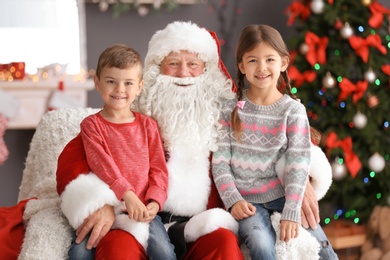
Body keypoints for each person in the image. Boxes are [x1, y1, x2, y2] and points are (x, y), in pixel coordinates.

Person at [56, 21, 335, 259]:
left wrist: (301, 181)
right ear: (153, 73)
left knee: (225, 247)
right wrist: (101, 202)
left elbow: (283, 136)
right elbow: (76, 158)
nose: (184, 73)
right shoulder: (133, 111)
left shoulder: (225, 108)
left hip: (204, 220)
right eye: (173, 64)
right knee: (119, 249)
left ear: (207, 72)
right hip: (140, 217)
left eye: (193, 64)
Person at [212, 24, 338, 260]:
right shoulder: (229, 109)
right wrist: (233, 200)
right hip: (247, 201)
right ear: (241, 65)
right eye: (252, 60)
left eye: (269, 59)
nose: (261, 68)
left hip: (284, 196)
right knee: (260, 245)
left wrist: (291, 210)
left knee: (324, 251)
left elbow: (299, 162)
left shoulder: (293, 110)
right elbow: (220, 162)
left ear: (283, 63)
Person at [61, 44, 175, 260]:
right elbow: (102, 164)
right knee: (78, 253)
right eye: (111, 81)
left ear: (139, 87)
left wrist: (155, 202)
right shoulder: (92, 125)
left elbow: (159, 169)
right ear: (97, 82)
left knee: (165, 252)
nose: (119, 90)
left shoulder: (148, 126)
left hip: (142, 211)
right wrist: (127, 195)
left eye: (128, 83)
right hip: (110, 208)